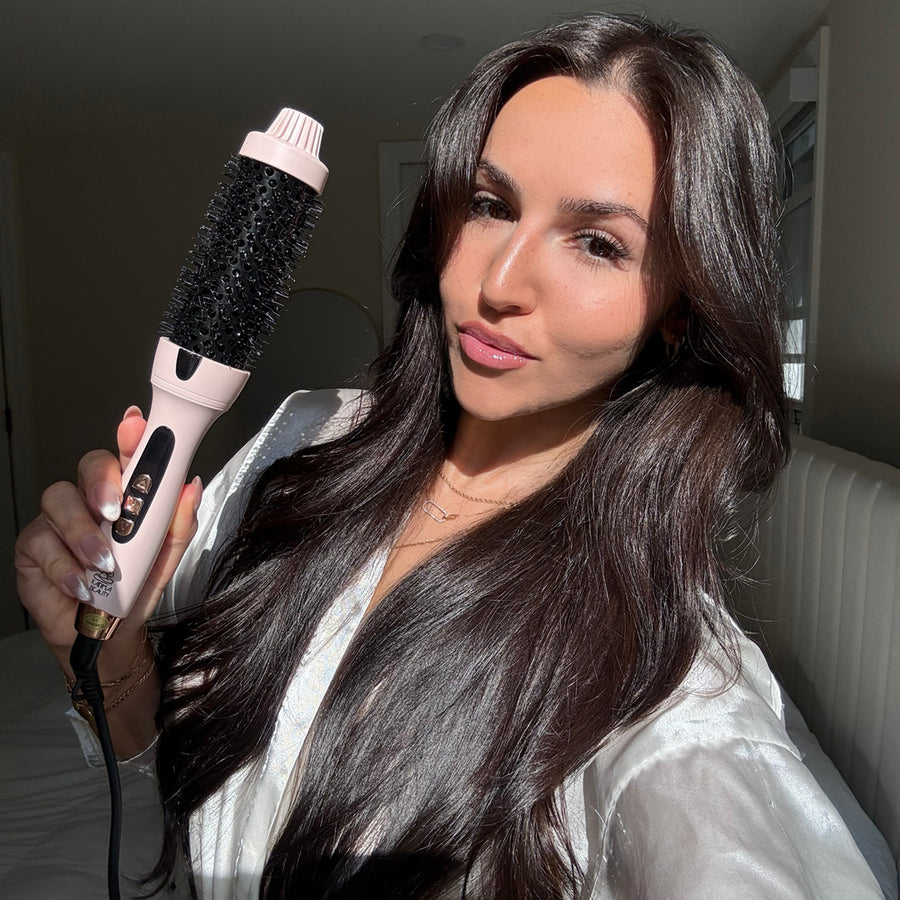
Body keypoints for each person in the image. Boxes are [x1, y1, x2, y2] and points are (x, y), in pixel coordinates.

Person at [14, 13, 885, 900]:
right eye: (490, 203)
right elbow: (174, 772)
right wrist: (109, 660)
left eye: (597, 243)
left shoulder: (663, 682)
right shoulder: (305, 437)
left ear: (679, 304)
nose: (497, 284)